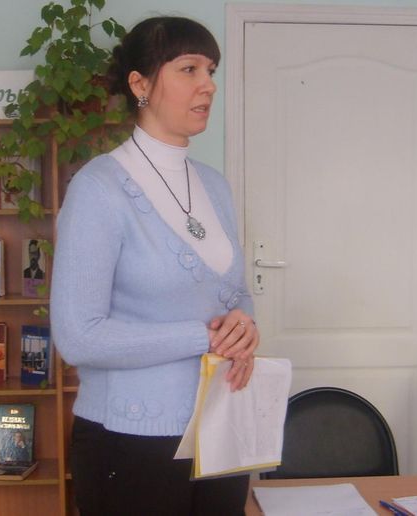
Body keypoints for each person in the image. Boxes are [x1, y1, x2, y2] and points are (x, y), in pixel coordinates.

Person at [50, 16, 259, 515]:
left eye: (211, 70)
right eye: (189, 69)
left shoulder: (214, 185)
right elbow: (78, 337)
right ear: (139, 84)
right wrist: (204, 338)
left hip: (221, 426)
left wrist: (245, 328)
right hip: (130, 441)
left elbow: (234, 292)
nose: (208, 85)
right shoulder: (98, 189)